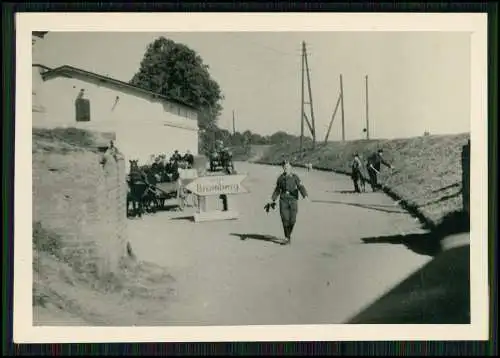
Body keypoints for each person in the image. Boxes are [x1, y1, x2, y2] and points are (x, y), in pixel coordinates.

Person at [270, 160, 309, 245]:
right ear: (283, 168)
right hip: (283, 200)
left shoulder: (295, 177)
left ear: (291, 168)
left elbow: (300, 186)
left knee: (293, 220)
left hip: (293, 200)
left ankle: (288, 234)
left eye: (287, 167)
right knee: (285, 219)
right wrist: (272, 199)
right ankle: (287, 238)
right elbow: (277, 190)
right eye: (284, 167)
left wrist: (305, 195)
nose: (286, 169)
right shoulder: (280, 178)